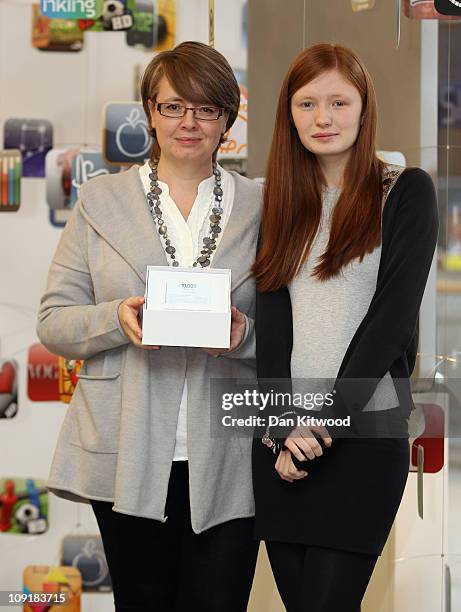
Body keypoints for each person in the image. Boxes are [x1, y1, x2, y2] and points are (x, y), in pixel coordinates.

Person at [37, 41, 261, 612]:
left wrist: (245, 336)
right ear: (150, 113)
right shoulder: (99, 200)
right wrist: (117, 318)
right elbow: (54, 322)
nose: (189, 122)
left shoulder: (264, 206)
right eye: (173, 107)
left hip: (232, 452)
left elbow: (292, 329)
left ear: (227, 119)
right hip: (125, 447)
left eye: (206, 108)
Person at [251, 43, 438, 612]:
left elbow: (392, 319)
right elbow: (274, 326)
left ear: (364, 108)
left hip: (362, 434)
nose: (323, 118)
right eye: (307, 104)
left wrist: (319, 428)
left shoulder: (405, 190)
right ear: (289, 113)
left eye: (338, 101)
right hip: (284, 442)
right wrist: (282, 429)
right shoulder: (280, 202)